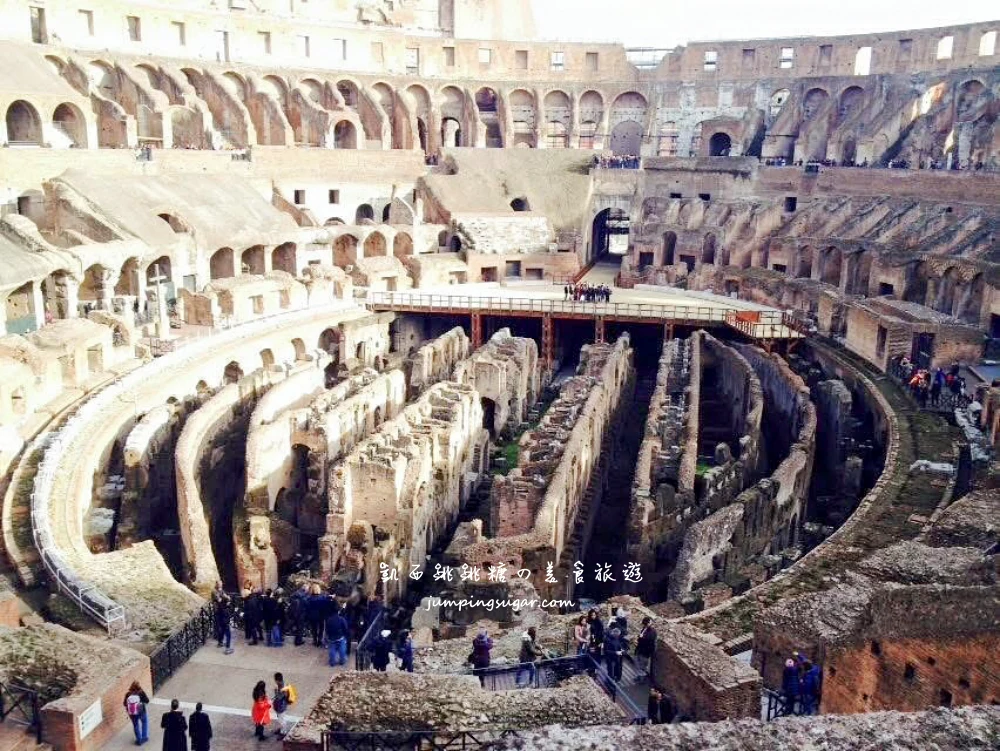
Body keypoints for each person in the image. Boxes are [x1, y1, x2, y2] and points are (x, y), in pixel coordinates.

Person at [123, 680, 149, 745]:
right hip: (141, 711)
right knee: (144, 722)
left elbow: (124, 703)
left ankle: (139, 740)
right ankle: (144, 737)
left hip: (132, 713)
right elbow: (147, 701)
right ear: (139, 686)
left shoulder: (128, 694)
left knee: (136, 725)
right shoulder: (141, 692)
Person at [634, 616, 657, 680]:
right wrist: (639, 637)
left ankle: (642, 677)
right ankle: (639, 675)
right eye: (649, 622)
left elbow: (650, 640)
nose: (650, 623)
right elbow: (641, 637)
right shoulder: (644, 628)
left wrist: (642, 637)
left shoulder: (653, 631)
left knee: (643, 665)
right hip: (639, 649)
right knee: (637, 663)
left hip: (645, 651)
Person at [272, 672, 294, 738]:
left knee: (282, 719)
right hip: (280, 705)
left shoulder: (282, 688)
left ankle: (283, 732)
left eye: (275, 680)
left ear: (277, 680)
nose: (275, 681)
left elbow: (279, 697)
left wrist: (275, 690)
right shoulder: (281, 685)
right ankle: (281, 729)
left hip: (281, 705)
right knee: (280, 718)